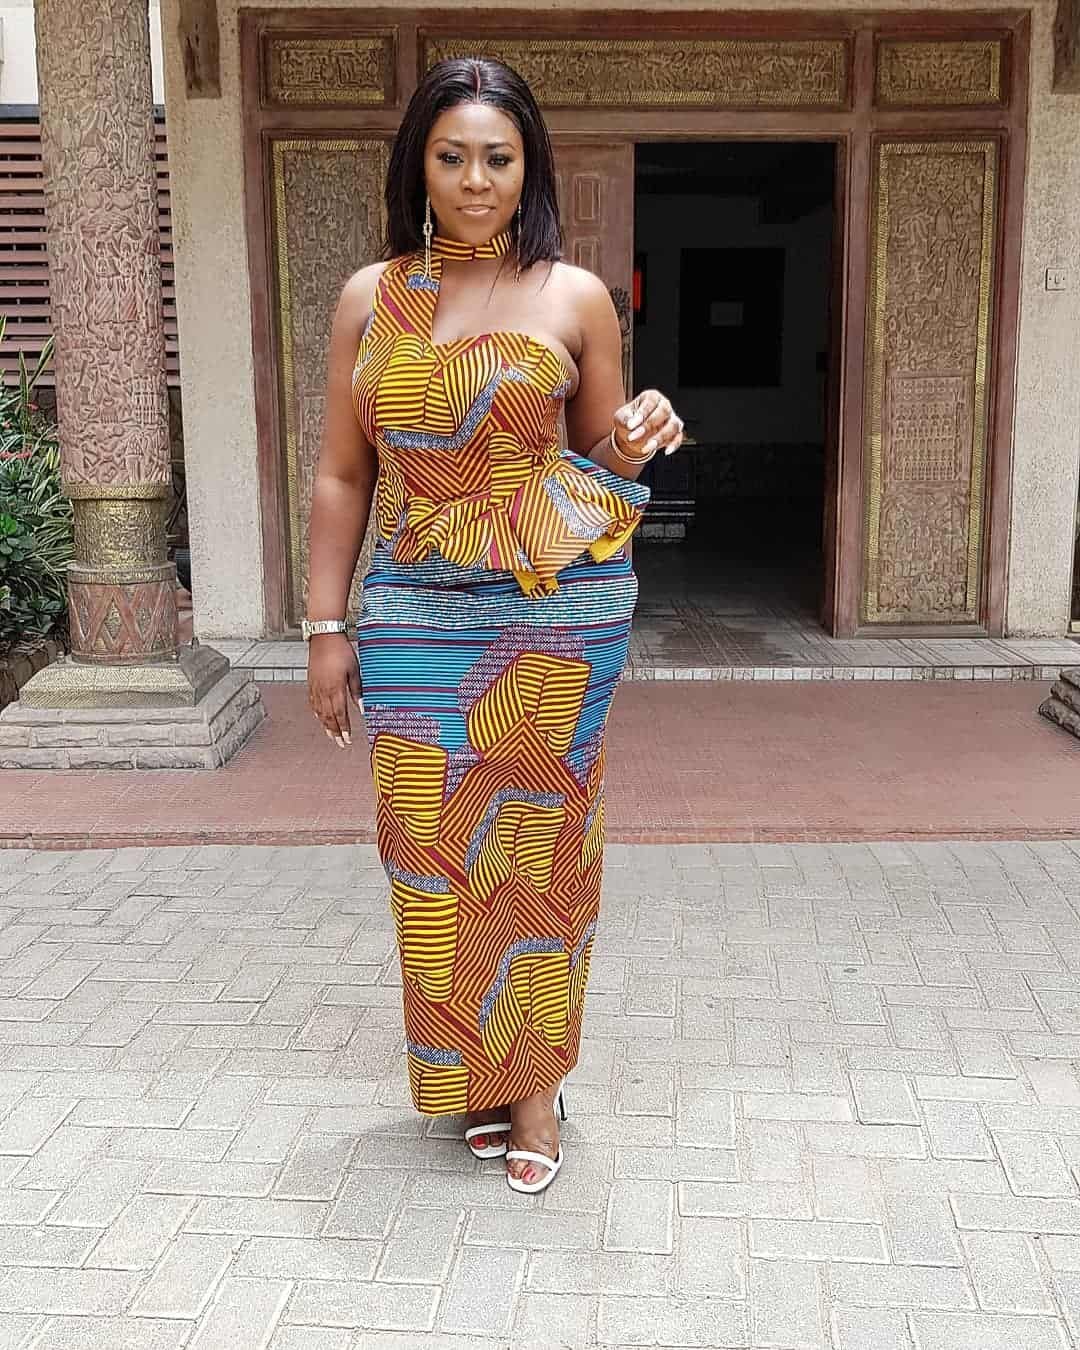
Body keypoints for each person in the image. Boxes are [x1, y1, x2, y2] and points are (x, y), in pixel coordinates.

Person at [305, 56, 683, 1195]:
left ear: (531, 170)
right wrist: (324, 628)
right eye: (453, 156)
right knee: (428, 852)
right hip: (413, 608)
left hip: (550, 613)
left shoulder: (574, 297)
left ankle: (533, 1090)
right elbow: (342, 476)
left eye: (499, 159)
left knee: (535, 847)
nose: (476, 181)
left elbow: (595, 459)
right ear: (418, 167)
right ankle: (472, 1068)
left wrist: (635, 439)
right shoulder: (371, 299)